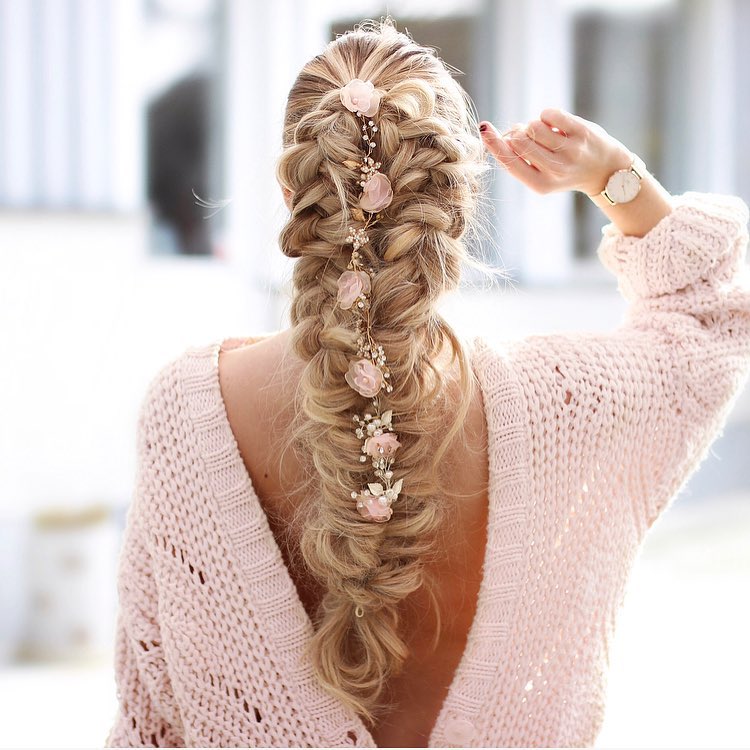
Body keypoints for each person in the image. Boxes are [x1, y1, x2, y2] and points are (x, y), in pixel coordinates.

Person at [104, 18, 750, 749]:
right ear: (456, 198)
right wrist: (611, 175)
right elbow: (708, 320)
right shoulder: (563, 404)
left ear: (294, 191)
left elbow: (149, 725)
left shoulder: (187, 413)